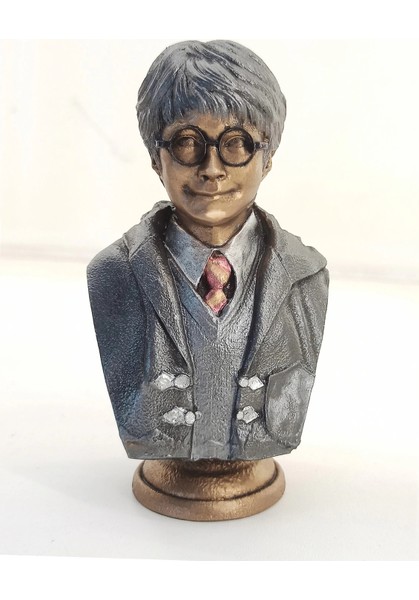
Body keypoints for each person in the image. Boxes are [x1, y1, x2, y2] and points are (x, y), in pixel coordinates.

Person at [87, 40, 329, 461]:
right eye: (187, 142)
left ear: (268, 157)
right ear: (155, 157)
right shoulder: (113, 273)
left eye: (236, 143)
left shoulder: (306, 275)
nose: (212, 169)